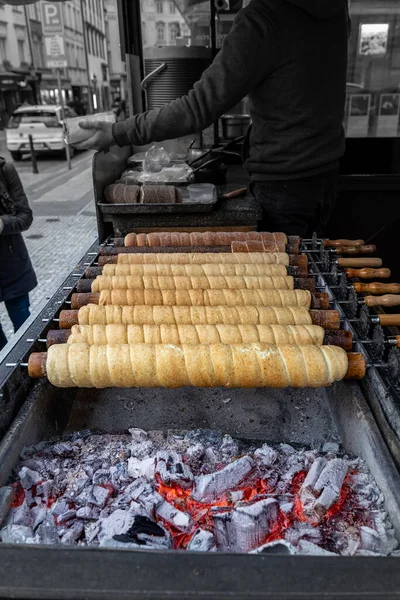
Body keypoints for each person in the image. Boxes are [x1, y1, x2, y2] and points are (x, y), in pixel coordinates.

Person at [75, 0, 350, 237]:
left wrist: (117, 132)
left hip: (284, 187)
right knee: (311, 275)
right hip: (325, 177)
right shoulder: (336, 10)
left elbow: (197, 108)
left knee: (284, 285)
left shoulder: (265, 18)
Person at [0, 159, 37, 350]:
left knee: (24, 329)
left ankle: (25, 372)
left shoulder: (4, 169)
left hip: (12, 264)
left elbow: (25, 216)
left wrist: (2, 224)